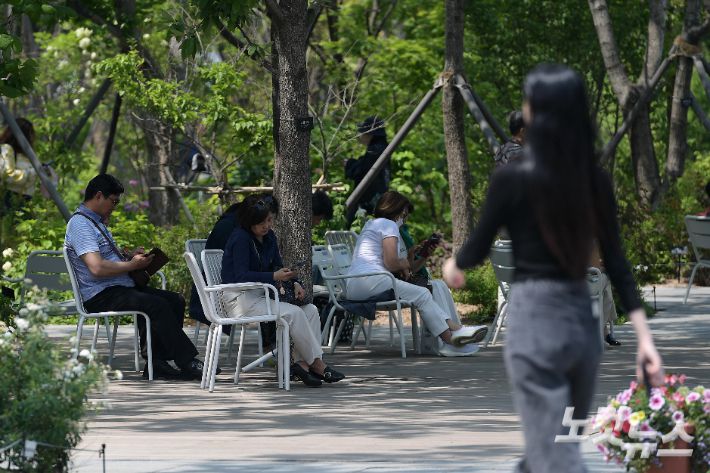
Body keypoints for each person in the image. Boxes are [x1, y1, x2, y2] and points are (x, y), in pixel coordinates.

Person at [442, 64, 663, 473]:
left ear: (535, 112)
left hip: (535, 320)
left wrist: (453, 265)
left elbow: (474, 250)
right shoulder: (594, 180)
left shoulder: (512, 178)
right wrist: (645, 339)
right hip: (580, 322)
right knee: (559, 441)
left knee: (554, 452)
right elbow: (616, 261)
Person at [64, 174, 205, 380]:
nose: (115, 207)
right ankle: (187, 361)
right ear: (99, 196)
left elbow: (104, 258)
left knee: (175, 300)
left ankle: (157, 363)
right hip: (100, 294)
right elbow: (96, 267)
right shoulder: (80, 224)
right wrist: (132, 265)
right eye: (114, 202)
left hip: (119, 288)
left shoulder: (95, 222)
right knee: (156, 305)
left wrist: (128, 256)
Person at [221, 195, 345, 387]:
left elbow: (277, 265)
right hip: (240, 298)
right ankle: (317, 364)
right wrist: (273, 276)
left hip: (261, 294)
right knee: (294, 313)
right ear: (249, 222)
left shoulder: (269, 237)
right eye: (261, 223)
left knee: (310, 310)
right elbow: (240, 276)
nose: (267, 226)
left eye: (269, 220)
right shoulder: (240, 239)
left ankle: (302, 365)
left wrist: (294, 281)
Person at [345, 191, 488, 357]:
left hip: (354, 285)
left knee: (422, 293)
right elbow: (390, 262)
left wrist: (409, 258)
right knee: (422, 294)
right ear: (396, 210)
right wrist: (404, 263)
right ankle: (451, 339)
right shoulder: (388, 225)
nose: (404, 219)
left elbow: (388, 262)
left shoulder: (371, 224)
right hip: (371, 281)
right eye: (404, 214)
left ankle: (454, 334)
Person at [345, 116, 390, 227]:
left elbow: (361, 171)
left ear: (371, 134)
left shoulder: (375, 150)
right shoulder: (381, 148)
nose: (361, 135)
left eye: (363, 132)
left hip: (369, 202)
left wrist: (349, 163)